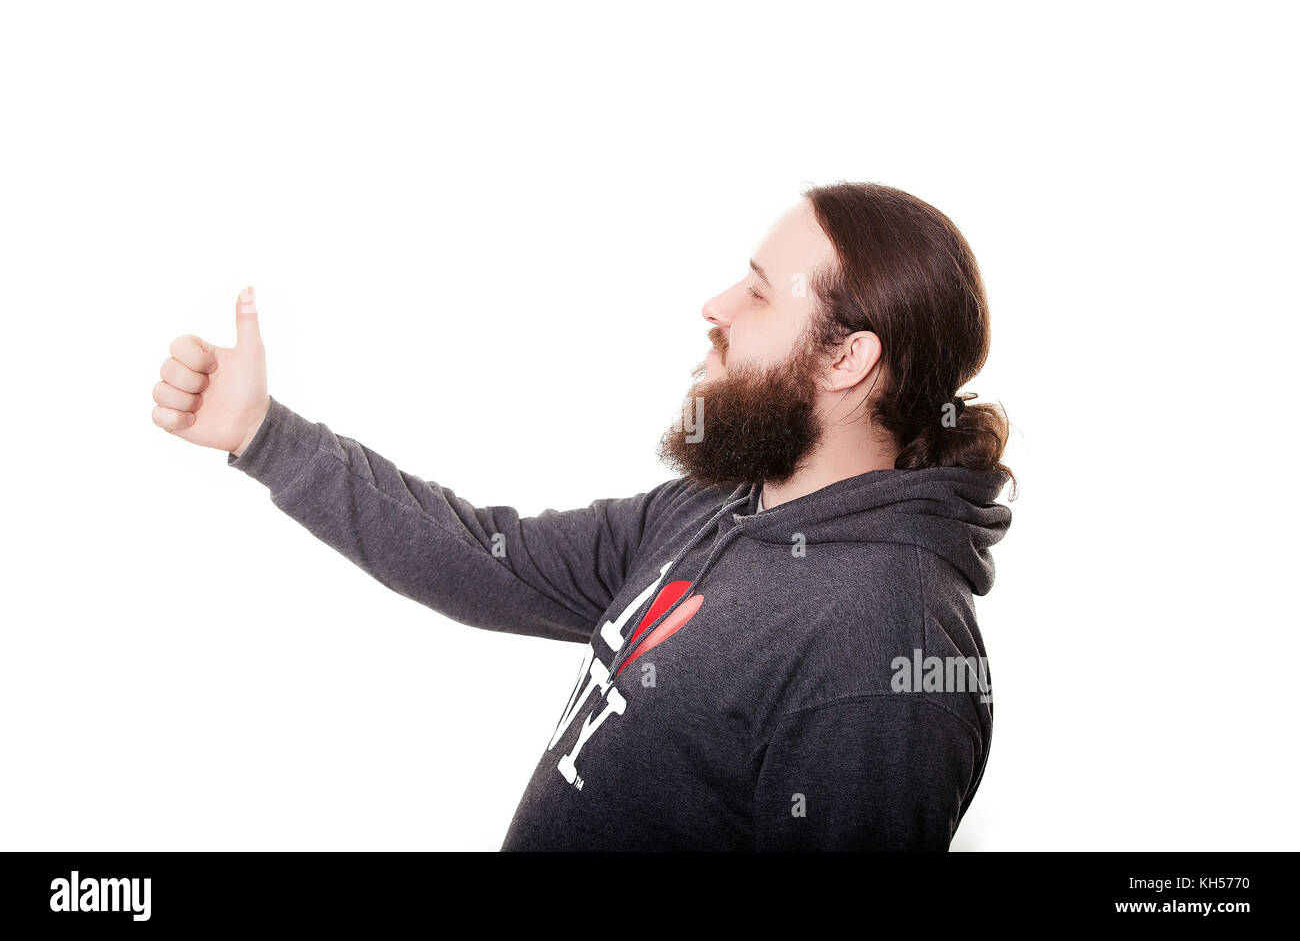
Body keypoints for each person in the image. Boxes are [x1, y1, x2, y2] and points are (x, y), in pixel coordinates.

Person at [151, 181, 1015, 850]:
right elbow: (493, 560)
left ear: (845, 358)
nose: (713, 306)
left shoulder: (882, 643)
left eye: (758, 294)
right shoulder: (723, 505)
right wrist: (263, 436)